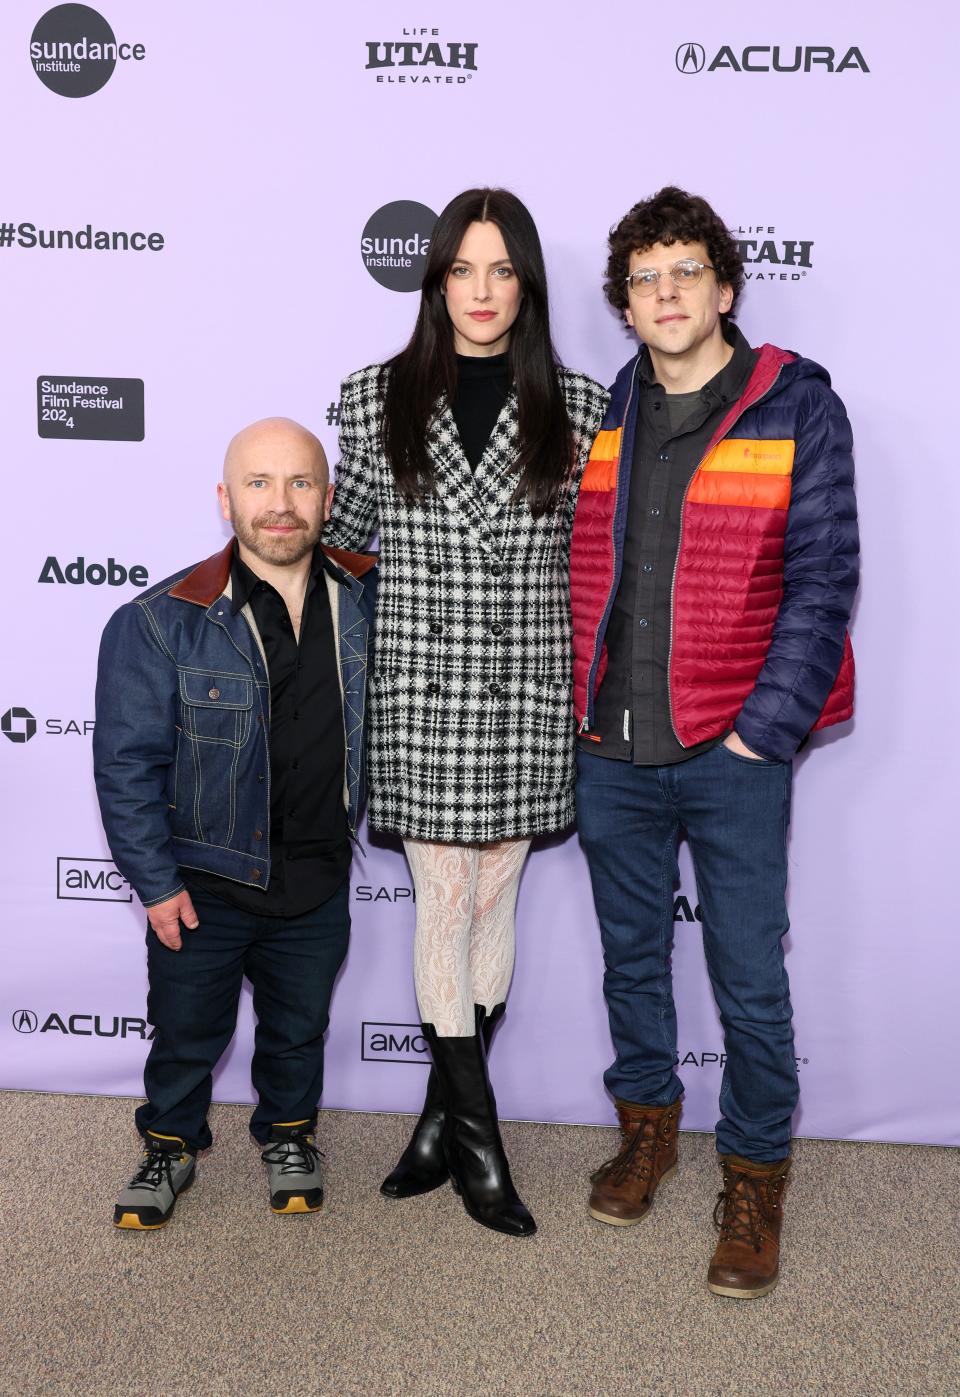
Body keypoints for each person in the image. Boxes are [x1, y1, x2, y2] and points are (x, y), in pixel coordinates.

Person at [570, 187, 859, 1296]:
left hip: (731, 748)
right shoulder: (611, 409)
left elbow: (825, 577)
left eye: (686, 270)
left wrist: (762, 733)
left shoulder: (796, 405)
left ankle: (754, 1179)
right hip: (613, 746)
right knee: (632, 961)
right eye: (645, 278)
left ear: (725, 288)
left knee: (748, 977)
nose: (667, 292)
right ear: (628, 306)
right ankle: (648, 1132)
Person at [323, 187, 608, 1236]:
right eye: (460, 270)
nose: (480, 292)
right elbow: (348, 549)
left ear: (526, 281)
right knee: (445, 903)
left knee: (497, 904)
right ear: (434, 279)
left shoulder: (580, 404)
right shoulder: (372, 394)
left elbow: (594, 562)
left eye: (500, 270)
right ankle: (482, 1141)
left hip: (530, 690)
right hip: (423, 693)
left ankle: (437, 1124)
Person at [93, 418, 376, 1228]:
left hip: (318, 875)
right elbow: (125, 766)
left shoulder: (370, 599)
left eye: (299, 483)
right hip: (204, 883)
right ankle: (169, 1144)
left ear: (326, 497)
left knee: (299, 1027)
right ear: (226, 500)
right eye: (258, 483)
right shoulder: (159, 621)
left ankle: (289, 1135)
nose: (279, 504)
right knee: (186, 1031)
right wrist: (155, 882)